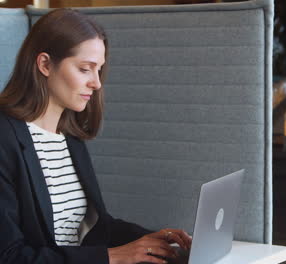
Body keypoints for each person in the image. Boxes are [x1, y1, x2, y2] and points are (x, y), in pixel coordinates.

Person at [0, 8, 191, 264]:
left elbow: (95, 229)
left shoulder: (69, 138)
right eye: (85, 69)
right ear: (45, 64)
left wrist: (153, 240)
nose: (97, 83)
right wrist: (110, 257)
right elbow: (10, 257)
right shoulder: (5, 138)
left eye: (98, 70)